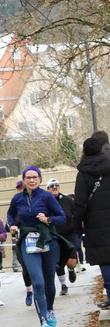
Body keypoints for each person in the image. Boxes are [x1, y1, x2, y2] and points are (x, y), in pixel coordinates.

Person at [7, 166, 66, 327]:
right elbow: (10, 215)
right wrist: (12, 225)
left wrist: (48, 219)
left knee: (49, 283)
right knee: (37, 282)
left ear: (40, 179)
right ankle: (43, 321)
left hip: (47, 241)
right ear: (24, 180)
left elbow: (61, 217)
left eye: (35, 177)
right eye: (28, 177)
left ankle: (49, 308)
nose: (32, 180)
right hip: (28, 242)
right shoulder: (17, 198)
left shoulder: (47, 196)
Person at [72, 132, 110, 308]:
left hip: (96, 225)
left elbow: (80, 204)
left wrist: (76, 226)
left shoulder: (83, 174)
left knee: (106, 261)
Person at [45, 178, 77, 295]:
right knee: (58, 262)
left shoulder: (68, 201)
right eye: (52, 186)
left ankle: (71, 269)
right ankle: (63, 285)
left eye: (56, 185)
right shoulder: (45, 202)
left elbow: (76, 213)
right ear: (48, 189)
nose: (55, 187)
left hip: (69, 234)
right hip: (55, 235)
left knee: (71, 262)